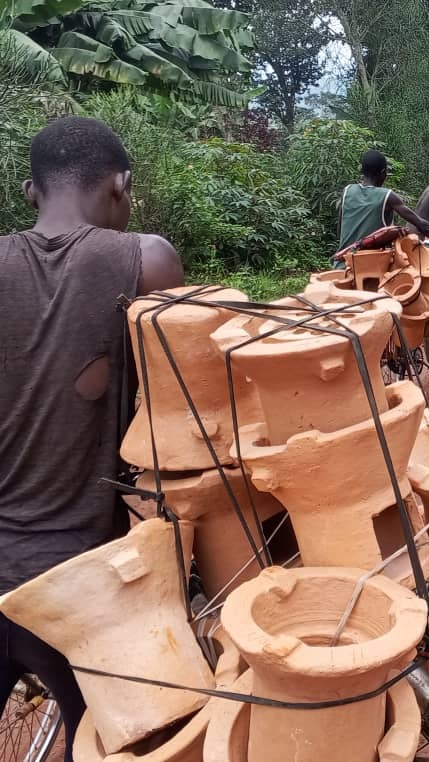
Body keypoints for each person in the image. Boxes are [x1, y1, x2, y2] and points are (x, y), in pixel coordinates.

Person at [0, 116, 185, 761]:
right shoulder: (146, 259)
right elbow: (184, 414)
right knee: (125, 737)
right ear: (122, 185)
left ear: (30, 191)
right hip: (77, 585)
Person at [336, 149, 429, 252]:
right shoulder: (387, 196)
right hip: (373, 265)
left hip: (343, 262)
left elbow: (340, 230)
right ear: (383, 173)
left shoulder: (347, 191)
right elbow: (423, 225)